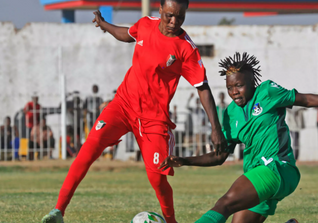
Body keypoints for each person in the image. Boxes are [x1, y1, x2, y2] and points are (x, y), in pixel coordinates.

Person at [41, 1, 226, 222]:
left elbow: (202, 88)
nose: (174, 22)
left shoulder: (186, 48)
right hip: (122, 105)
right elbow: (127, 34)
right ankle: (58, 211)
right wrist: (104, 24)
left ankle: (171, 221)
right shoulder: (145, 24)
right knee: (88, 149)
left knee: (157, 178)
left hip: (154, 119)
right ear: (160, 9)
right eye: (169, 15)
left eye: (180, 17)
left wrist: (216, 129)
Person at [159, 52, 318, 223]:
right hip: (259, 175)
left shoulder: (267, 91)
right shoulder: (229, 114)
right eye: (230, 87)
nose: (234, 91)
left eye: (239, 85)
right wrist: (184, 160)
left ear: (252, 83)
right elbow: (219, 157)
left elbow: (305, 99)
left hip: (277, 168)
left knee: (224, 204)